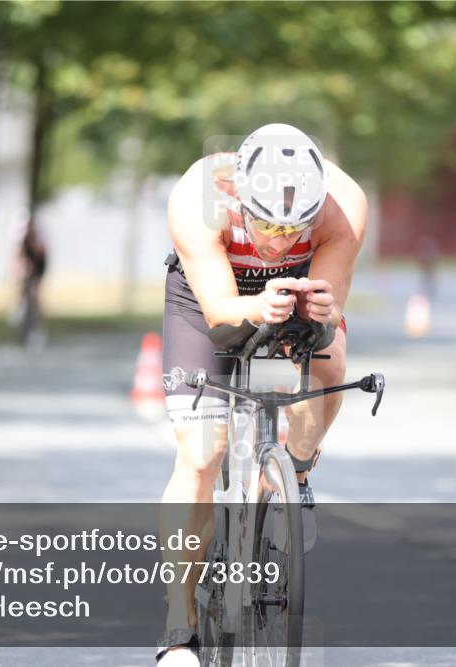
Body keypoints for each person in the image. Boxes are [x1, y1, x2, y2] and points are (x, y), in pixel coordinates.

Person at [157, 124, 368, 665]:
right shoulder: (198, 197)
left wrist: (318, 316)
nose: (277, 240)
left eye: (292, 226)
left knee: (331, 364)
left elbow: (329, 316)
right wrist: (255, 308)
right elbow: (223, 313)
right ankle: (178, 631)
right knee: (202, 455)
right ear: (239, 197)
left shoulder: (343, 204)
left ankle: (293, 474)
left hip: (298, 287)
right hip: (211, 296)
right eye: (267, 222)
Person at [18, 219, 47, 347]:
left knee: (34, 298)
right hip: (27, 274)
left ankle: (36, 327)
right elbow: (20, 256)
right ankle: (23, 325)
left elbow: (41, 256)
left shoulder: (38, 240)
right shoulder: (25, 240)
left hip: (37, 273)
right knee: (24, 296)